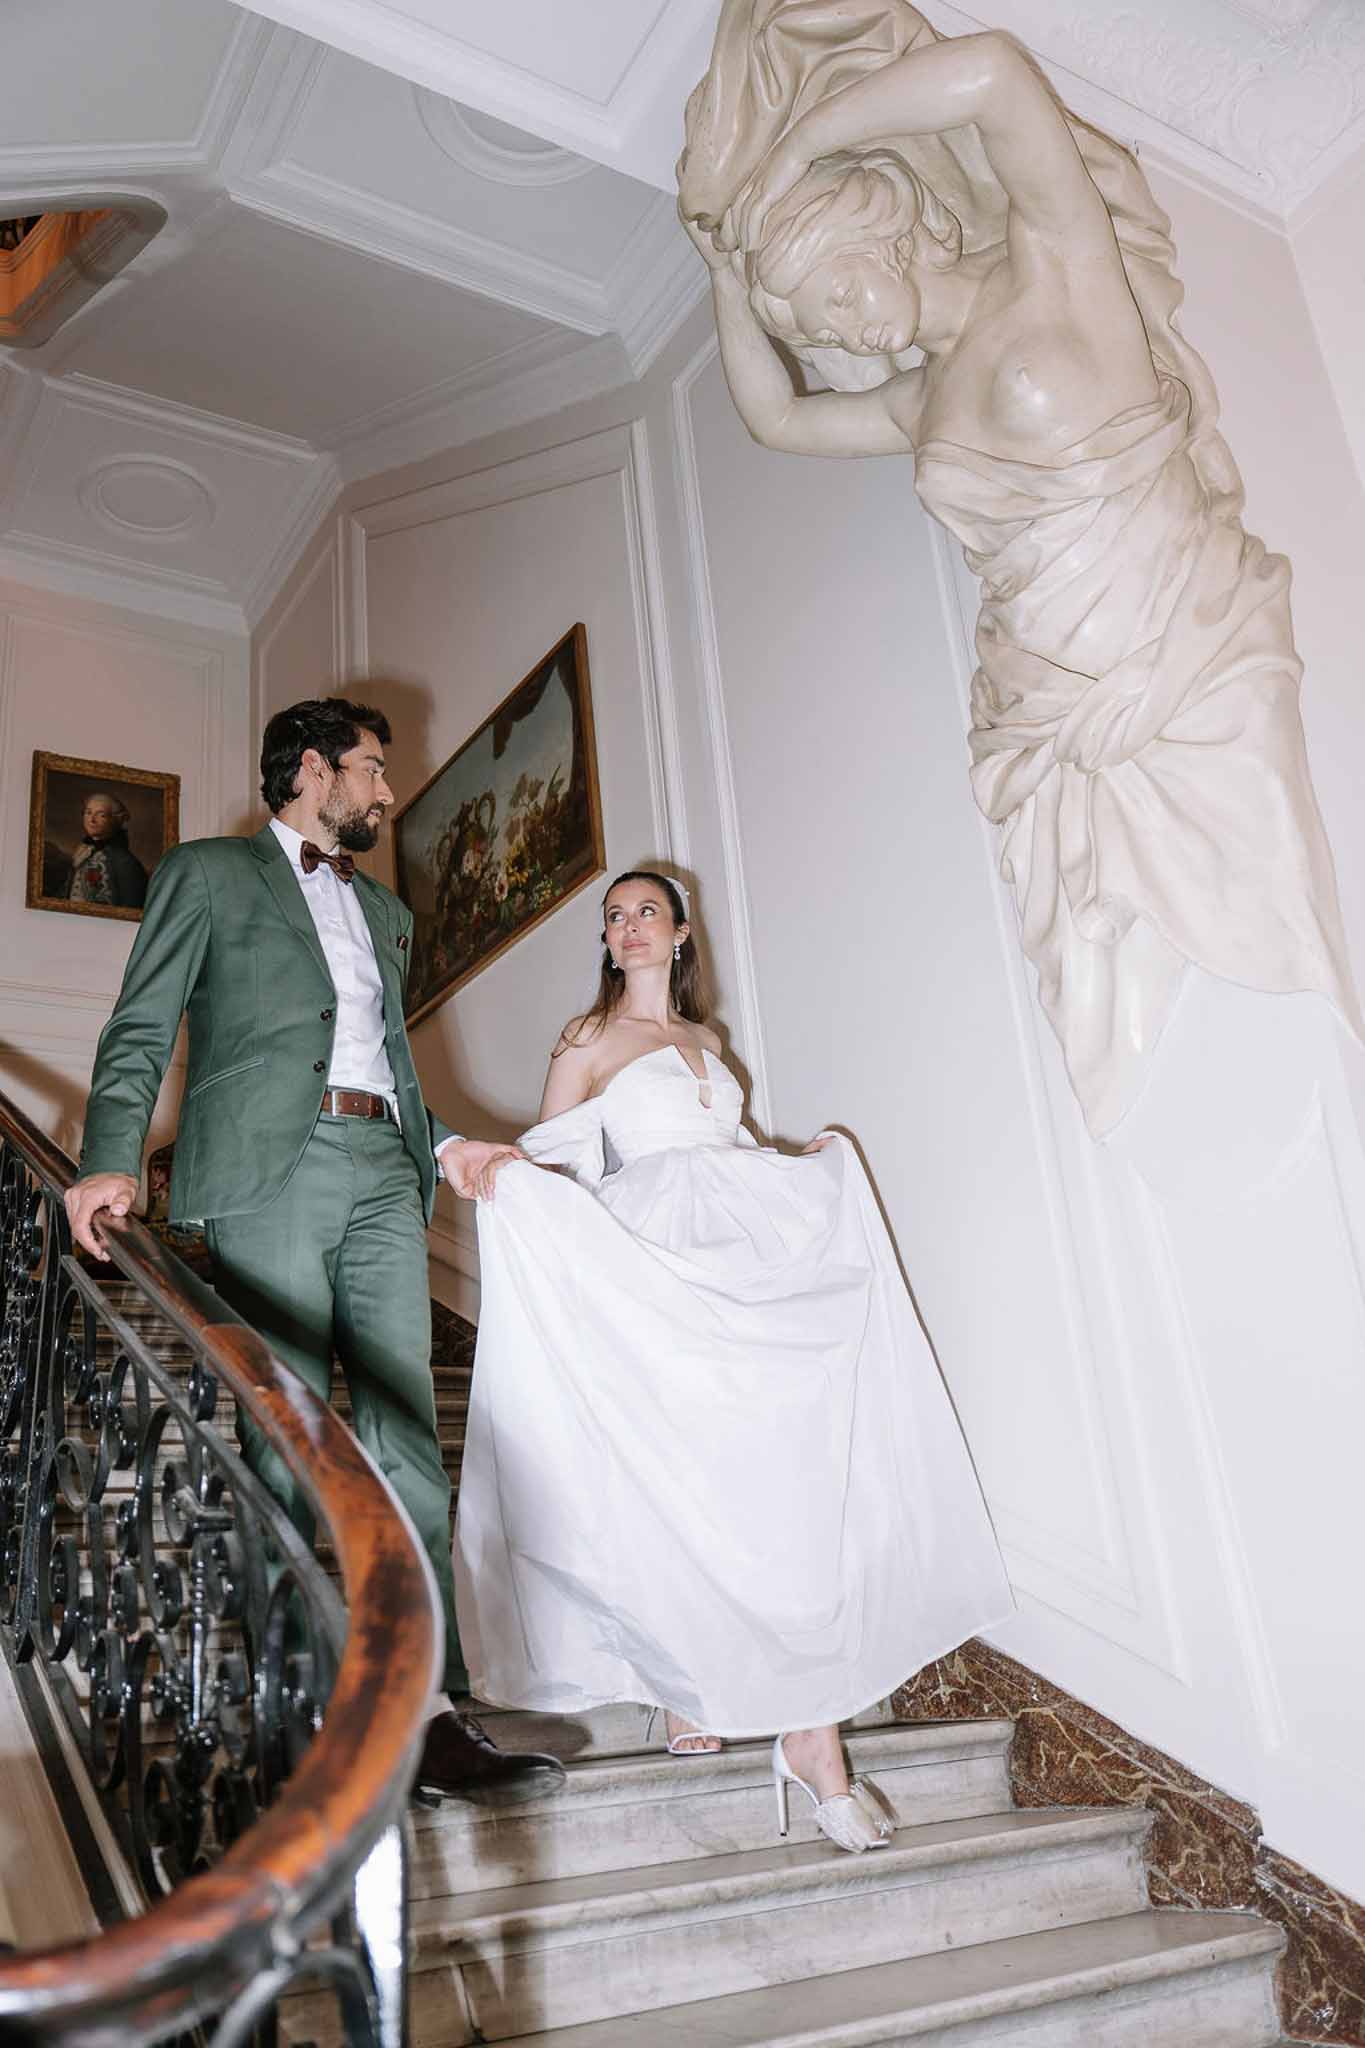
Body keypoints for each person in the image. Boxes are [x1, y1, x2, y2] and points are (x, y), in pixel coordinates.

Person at [677, 0, 1360, 1138]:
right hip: (1047, 726)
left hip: (1185, 667)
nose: (839, 330)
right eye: (818, 318)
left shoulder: (1055, 267)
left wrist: (801, 144)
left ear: (887, 230)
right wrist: (727, 275)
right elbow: (778, 419)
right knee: (1146, 1048)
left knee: (1277, 947)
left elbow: (992, 74)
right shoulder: (920, 396)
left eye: (836, 293)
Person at [64, 697, 563, 1808]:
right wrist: (106, 1157)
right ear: (309, 770)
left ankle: (429, 1705)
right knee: (286, 1428)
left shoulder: (384, 908)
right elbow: (142, 1023)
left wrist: (448, 1146)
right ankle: (298, 1698)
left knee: (406, 1443)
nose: (388, 791)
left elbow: (391, 1056)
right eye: (373, 770)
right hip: (266, 1171)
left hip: (384, 1166)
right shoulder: (204, 872)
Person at [453, 870, 1012, 1853]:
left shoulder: (709, 1044)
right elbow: (555, 1154)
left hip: (745, 1249)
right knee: (685, 1475)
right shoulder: (587, 1041)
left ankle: (809, 1732)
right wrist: (509, 1178)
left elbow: (733, 1141)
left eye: (644, 912)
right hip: (658, 1258)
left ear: (679, 932)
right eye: (613, 916)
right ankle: (696, 1684)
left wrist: (810, 1161)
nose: (627, 926)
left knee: (781, 1479)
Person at [66, 792, 148, 908]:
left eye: (101, 815)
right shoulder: (82, 853)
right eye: (88, 813)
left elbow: (132, 908)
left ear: (116, 820)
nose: (92, 820)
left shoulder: (125, 862)